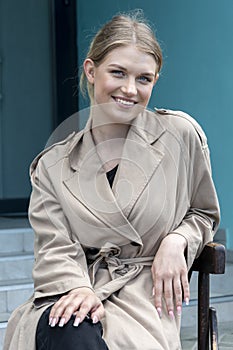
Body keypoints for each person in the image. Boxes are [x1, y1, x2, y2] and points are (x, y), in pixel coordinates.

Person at [4, 10, 220, 350]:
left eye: (144, 79)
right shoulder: (53, 165)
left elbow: (203, 213)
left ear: (155, 81)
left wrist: (177, 240)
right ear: (91, 71)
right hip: (75, 291)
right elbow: (55, 247)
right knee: (72, 325)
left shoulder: (180, 135)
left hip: (143, 301)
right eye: (117, 73)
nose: (130, 90)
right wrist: (78, 288)